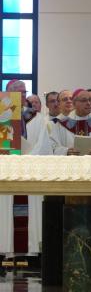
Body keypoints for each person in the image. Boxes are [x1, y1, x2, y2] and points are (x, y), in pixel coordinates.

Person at [1, 80, 52, 260]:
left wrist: (27, 157)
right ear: (7, 93)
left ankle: (31, 252)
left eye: (24, 92)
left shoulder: (36, 118)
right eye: (18, 92)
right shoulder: (2, 115)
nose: (22, 96)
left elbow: (43, 144)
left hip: (30, 170)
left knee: (32, 212)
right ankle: (4, 249)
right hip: (6, 172)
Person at [50, 89, 91, 155]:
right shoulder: (61, 124)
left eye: (90, 100)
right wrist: (66, 151)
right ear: (74, 103)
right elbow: (52, 146)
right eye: (84, 100)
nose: (89, 103)